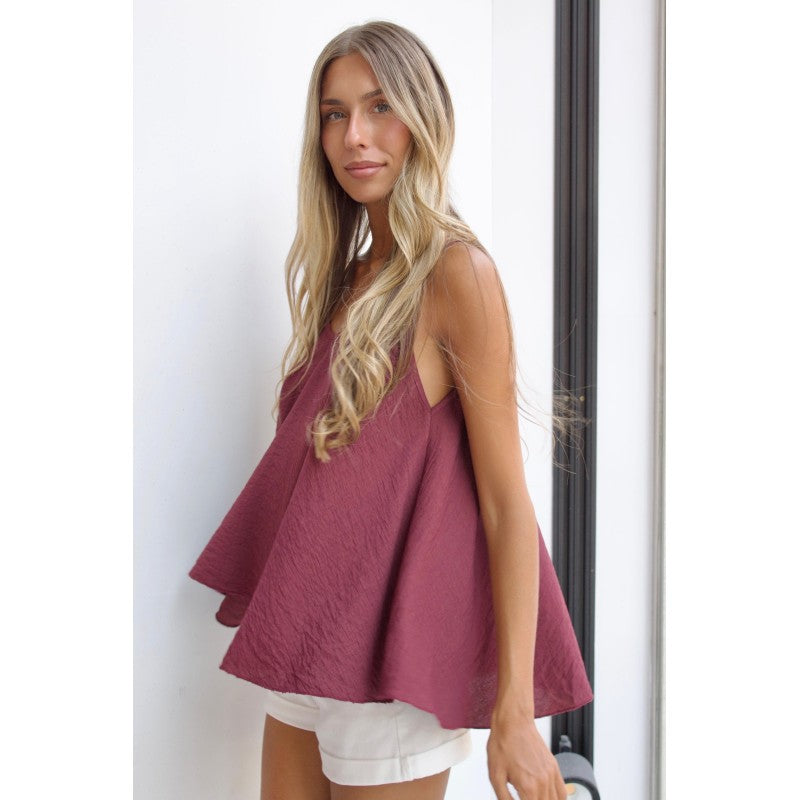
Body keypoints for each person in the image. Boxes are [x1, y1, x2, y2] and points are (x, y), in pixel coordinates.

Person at [188, 19, 593, 800]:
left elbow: (506, 503)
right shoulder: (349, 275)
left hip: (391, 679)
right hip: (311, 644)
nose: (355, 136)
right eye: (335, 113)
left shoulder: (457, 274)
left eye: (380, 107)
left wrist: (513, 714)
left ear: (423, 119)